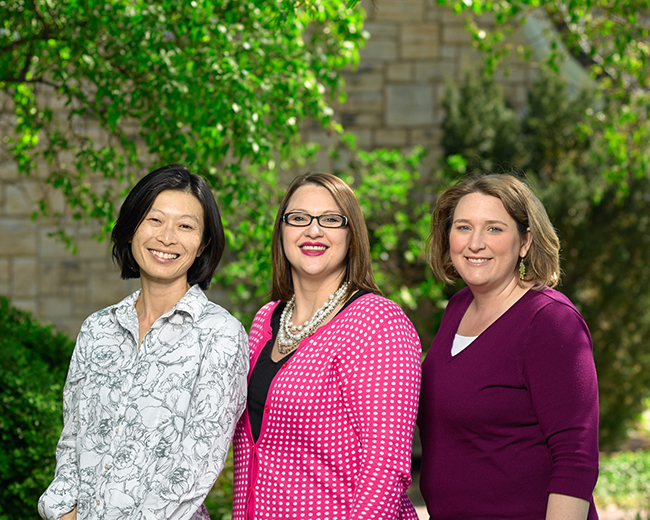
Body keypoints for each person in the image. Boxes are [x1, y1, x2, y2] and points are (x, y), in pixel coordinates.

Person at [39, 164, 249, 520]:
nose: (167, 237)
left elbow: (197, 463)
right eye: (155, 220)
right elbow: (73, 439)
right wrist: (63, 511)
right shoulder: (97, 330)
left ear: (203, 245)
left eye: (185, 226)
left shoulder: (221, 335)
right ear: (132, 227)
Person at [231, 172, 422, 520]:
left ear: (351, 236)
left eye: (331, 220)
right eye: (298, 218)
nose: (313, 230)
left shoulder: (377, 323)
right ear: (282, 231)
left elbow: (385, 470)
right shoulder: (264, 321)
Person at [419, 173, 599, 519]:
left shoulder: (550, 321)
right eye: (463, 227)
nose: (475, 244)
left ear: (525, 242)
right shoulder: (457, 308)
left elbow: (575, 461)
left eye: (494, 229)